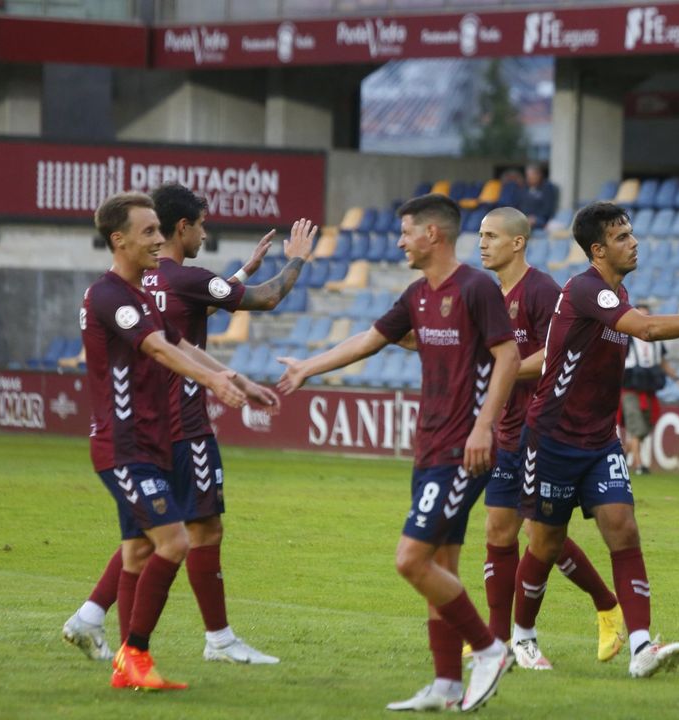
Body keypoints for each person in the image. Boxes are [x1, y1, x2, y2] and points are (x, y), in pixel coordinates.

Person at [276, 194, 516, 713]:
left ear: (434, 234)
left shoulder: (476, 288)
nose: (400, 240)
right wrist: (307, 367)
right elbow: (369, 339)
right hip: (429, 446)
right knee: (441, 563)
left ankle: (491, 650)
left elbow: (509, 356)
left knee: (410, 560)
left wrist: (482, 427)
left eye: (407, 232)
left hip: (462, 449)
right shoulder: (416, 294)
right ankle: (447, 684)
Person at [63, 184, 314, 668]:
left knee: (143, 544)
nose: (158, 237)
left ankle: (105, 630)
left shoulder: (148, 289)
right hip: (155, 434)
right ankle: (199, 641)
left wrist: (233, 377)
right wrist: (297, 261)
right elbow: (169, 342)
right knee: (190, 534)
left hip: (154, 435)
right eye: (149, 230)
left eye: (159, 228)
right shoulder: (119, 293)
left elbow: (182, 331)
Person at [511, 201, 679, 679]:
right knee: (545, 545)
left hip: (599, 441)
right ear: (597, 250)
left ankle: (642, 647)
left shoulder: (617, 293)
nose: (634, 241)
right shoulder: (587, 289)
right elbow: (646, 329)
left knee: (623, 530)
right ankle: (522, 637)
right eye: (622, 236)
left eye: (631, 232)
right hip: (551, 438)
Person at [470, 206, 626, 670]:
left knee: (543, 537)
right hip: (504, 428)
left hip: (539, 428)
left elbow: (555, 354)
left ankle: (604, 606)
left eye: (491, 235)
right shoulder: (485, 292)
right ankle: (496, 644)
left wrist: (506, 370)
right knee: (501, 531)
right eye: (480, 235)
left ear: (517, 243)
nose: (481, 243)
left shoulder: (541, 291)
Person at [622, 304, 679, 476]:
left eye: (646, 316)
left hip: (649, 389)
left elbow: (662, 363)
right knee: (636, 427)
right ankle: (639, 465)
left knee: (645, 426)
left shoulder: (656, 342)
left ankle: (622, 456)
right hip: (629, 390)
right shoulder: (625, 339)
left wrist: (677, 378)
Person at [517, 164, 559, 231]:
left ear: (539, 175)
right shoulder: (524, 188)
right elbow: (520, 205)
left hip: (542, 219)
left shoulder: (547, 188)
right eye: (528, 175)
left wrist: (534, 218)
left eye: (531, 175)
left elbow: (548, 209)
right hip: (525, 217)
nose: (529, 178)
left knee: (525, 225)